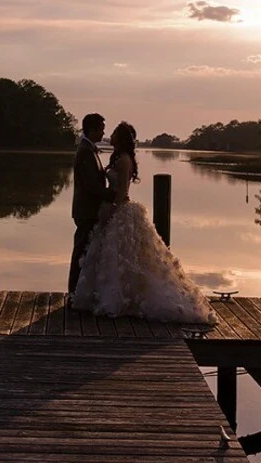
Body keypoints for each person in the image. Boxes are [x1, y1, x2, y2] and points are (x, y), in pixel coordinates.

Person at [73, 121, 216, 324]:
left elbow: (121, 193)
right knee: (118, 258)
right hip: (113, 210)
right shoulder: (116, 157)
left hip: (120, 212)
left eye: (113, 133)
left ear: (120, 139)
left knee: (124, 257)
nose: (109, 135)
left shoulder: (123, 160)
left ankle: (122, 299)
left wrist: (110, 213)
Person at [69, 113, 115, 297]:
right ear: (92, 129)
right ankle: (74, 292)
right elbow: (90, 185)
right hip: (86, 210)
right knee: (80, 251)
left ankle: (80, 291)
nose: (103, 132)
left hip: (89, 210)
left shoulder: (90, 149)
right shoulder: (85, 151)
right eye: (101, 129)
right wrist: (113, 195)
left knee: (86, 251)